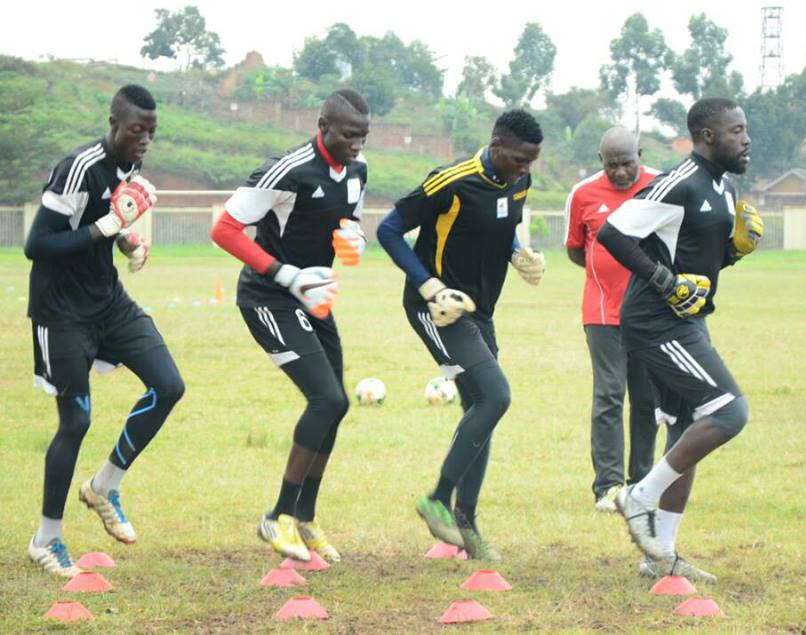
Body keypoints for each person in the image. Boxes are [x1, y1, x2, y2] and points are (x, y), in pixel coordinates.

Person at [597, 97, 764, 579]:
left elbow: (698, 256)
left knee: (687, 423)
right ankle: (639, 495)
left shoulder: (725, 188)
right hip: (657, 322)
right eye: (736, 130)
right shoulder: (681, 181)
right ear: (708, 136)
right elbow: (612, 233)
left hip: (688, 319)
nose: (746, 139)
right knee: (729, 412)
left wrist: (735, 252)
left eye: (745, 129)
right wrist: (662, 280)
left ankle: (661, 555)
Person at [24, 85, 185, 577]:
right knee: (76, 422)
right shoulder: (79, 168)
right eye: (137, 130)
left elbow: (104, 225)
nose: (145, 140)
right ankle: (45, 540)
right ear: (114, 122)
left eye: (151, 133)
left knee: (168, 385)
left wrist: (128, 242)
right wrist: (106, 229)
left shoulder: (130, 168)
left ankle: (103, 486)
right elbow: (37, 244)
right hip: (61, 313)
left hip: (109, 303)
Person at [210, 88, 370, 562]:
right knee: (327, 399)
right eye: (348, 135)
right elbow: (224, 230)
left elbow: (350, 222)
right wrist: (286, 275)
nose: (356, 145)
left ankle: (304, 518)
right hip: (267, 298)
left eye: (363, 136)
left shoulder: (358, 170)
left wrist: (354, 241)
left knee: (336, 405)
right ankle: (277, 516)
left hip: (314, 301)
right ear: (323, 126)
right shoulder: (288, 170)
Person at [376, 110, 545, 561]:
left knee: (481, 408)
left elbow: (505, 227)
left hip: (479, 312)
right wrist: (429, 287)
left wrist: (518, 254)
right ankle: (438, 499)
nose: (525, 168)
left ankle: (466, 526)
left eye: (531, 161)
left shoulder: (519, 182)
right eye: (519, 159)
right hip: (436, 309)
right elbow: (388, 230)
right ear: (496, 146)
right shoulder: (450, 181)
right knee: (495, 396)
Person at [563, 126, 660, 513]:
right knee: (608, 395)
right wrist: (606, 274)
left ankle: (642, 483)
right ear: (600, 160)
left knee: (647, 398)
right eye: (612, 165)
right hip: (603, 311)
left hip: (650, 312)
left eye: (627, 163)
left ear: (640, 154)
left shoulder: (662, 186)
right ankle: (608, 486)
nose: (620, 172)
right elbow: (576, 250)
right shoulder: (583, 193)